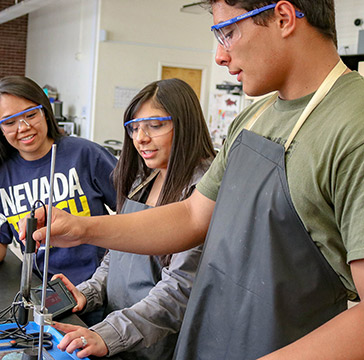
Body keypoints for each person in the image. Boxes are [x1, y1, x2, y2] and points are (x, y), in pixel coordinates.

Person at [24, 1, 364, 359]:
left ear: (282, 17)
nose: (219, 55)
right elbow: (191, 216)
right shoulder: (253, 119)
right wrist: (82, 228)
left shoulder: (351, 124)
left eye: (227, 32)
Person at [50, 78, 215, 359]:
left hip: (158, 346)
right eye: (134, 128)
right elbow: (116, 257)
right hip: (118, 337)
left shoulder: (203, 191)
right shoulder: (144, 180)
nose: (140, 138)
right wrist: (87, 293)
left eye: (155, 125)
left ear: (185, 123)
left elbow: (179, 291)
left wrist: (107, 333)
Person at [0, 75, 117, 286]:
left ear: (45, 111)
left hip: (102, 287)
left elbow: (135, 212)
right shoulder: (1, 178)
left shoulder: (85, 154)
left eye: (30, 114)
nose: (23, 127)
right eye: (10, 122)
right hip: (43, 291)